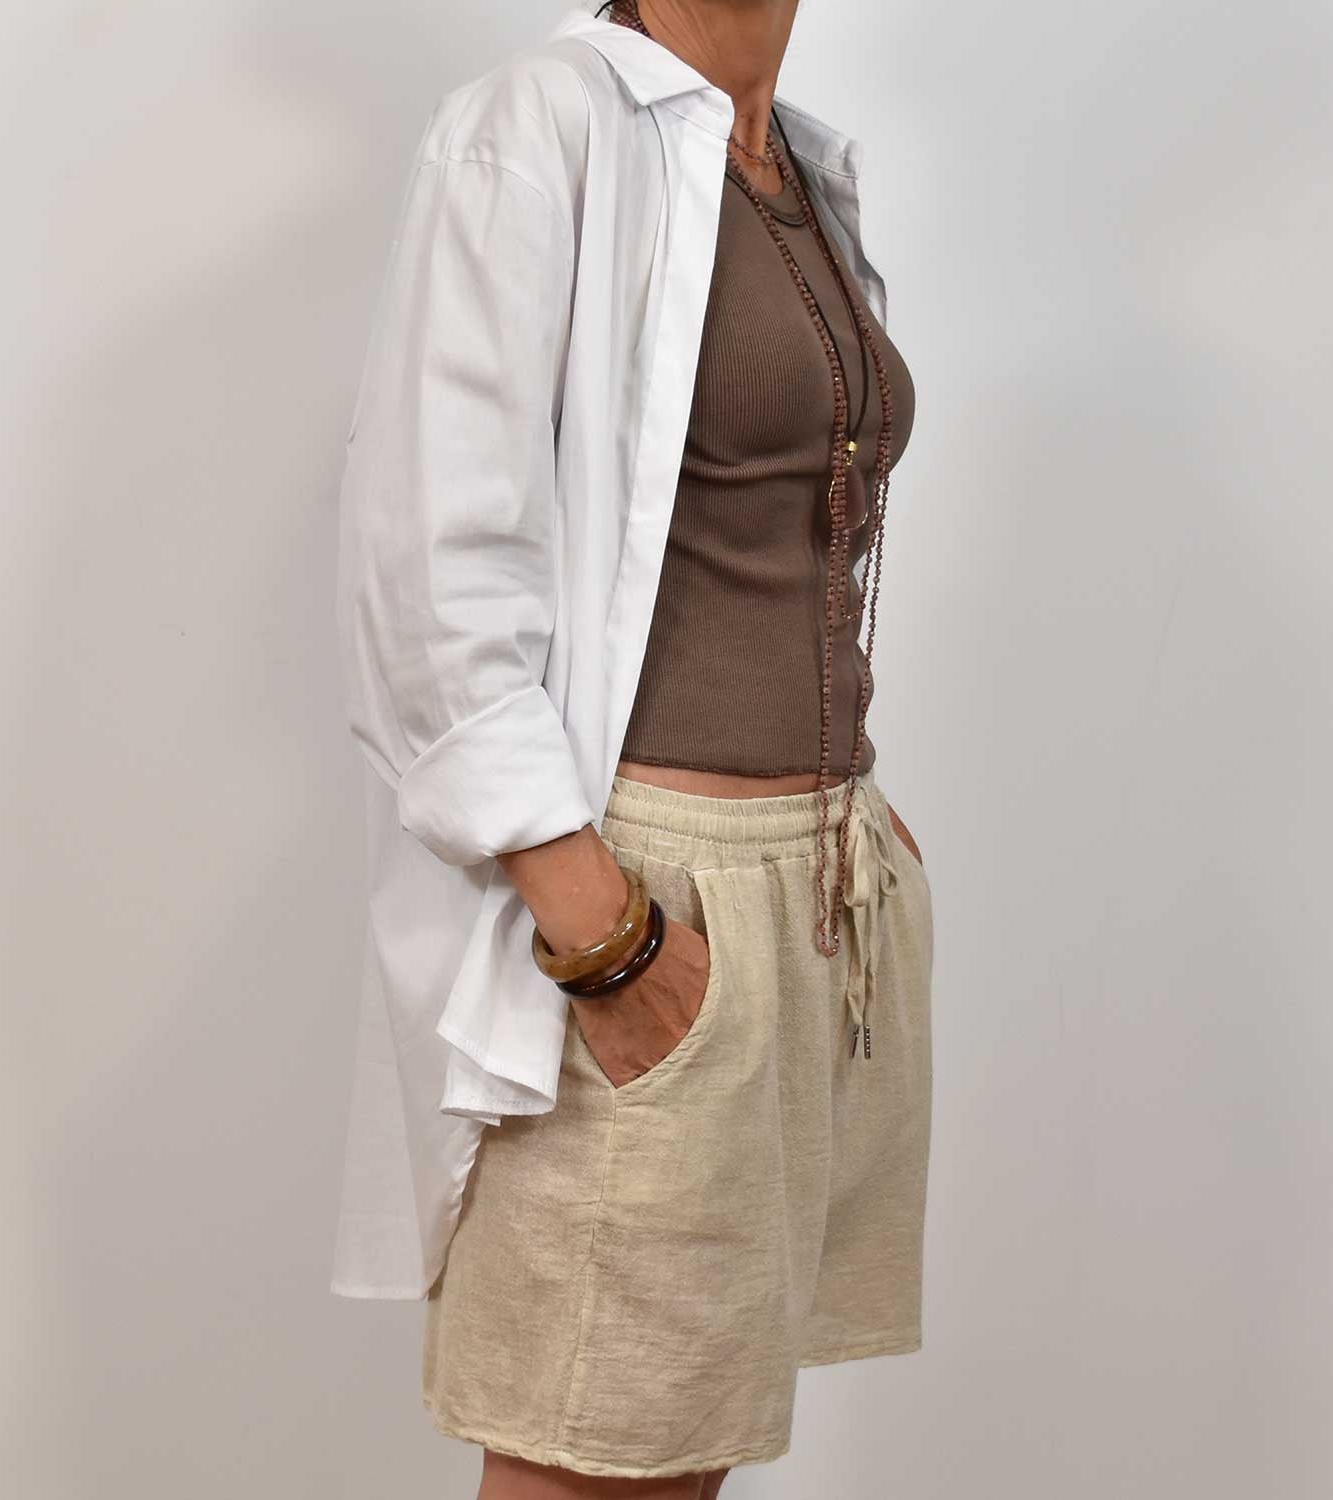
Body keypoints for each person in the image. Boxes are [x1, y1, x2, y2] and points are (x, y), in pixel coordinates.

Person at [333, 3, 934, 1495]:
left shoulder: (787, 164)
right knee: (589, 1448)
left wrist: (853, 814)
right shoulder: (538, 126)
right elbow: (428, 562)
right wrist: (602, 932)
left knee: (681, 1453)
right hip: (651, 898)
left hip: (815, 893)